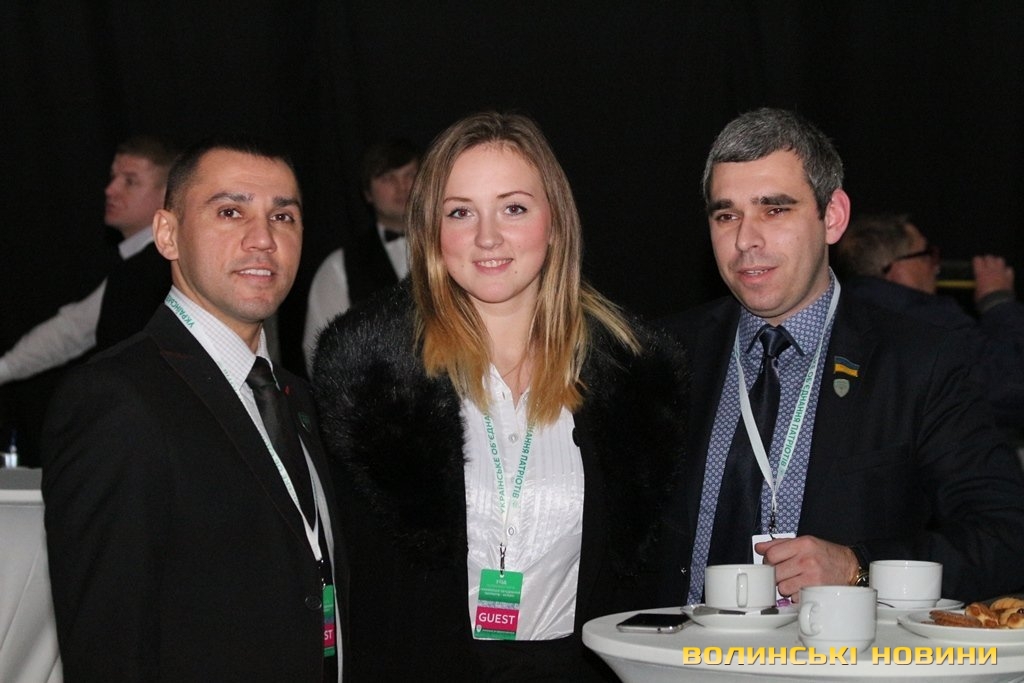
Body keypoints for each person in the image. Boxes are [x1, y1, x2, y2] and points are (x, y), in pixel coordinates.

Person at [312, 112, 688, 681]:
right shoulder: (372, 383)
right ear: (431, 231)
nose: (487, 237)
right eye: (460, 212)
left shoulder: (634, 377)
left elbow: (642, 580)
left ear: (555, 221)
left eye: (513, 208)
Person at [660, 107, 1024, 607]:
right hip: (674, 650)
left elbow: (1006, 536)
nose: (745, 239)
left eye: (774, 210)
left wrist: (859, 568)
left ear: (832, 217)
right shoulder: (665, 353)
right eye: (727, 215)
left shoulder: (918, 362)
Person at [42, 135, 347, 682]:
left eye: (283, 216)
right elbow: (107, 644)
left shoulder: (299, 397)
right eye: (230, 212)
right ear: (167, 234)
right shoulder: (117, 399)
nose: (263, 239)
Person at [0, 135, 176, 385]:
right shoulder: (141, 264)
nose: (110, 190)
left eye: (130, 181)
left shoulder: (161, 265)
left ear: (168, 195)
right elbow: (76, 327)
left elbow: (75, 331)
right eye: (113, 178)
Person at [834, 212, 1024, 430]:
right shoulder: (927, 322)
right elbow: (1013, 388)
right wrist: (998, 302)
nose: (936, 266)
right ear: (898, 268)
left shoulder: (842, 316)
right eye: (926, 254)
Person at [302, 137, 420, 370]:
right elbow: (319, 352)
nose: (402, 187)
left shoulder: (458, 251)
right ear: (367, 193)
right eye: (388, 178)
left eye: (410, 175)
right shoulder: (339, 266)